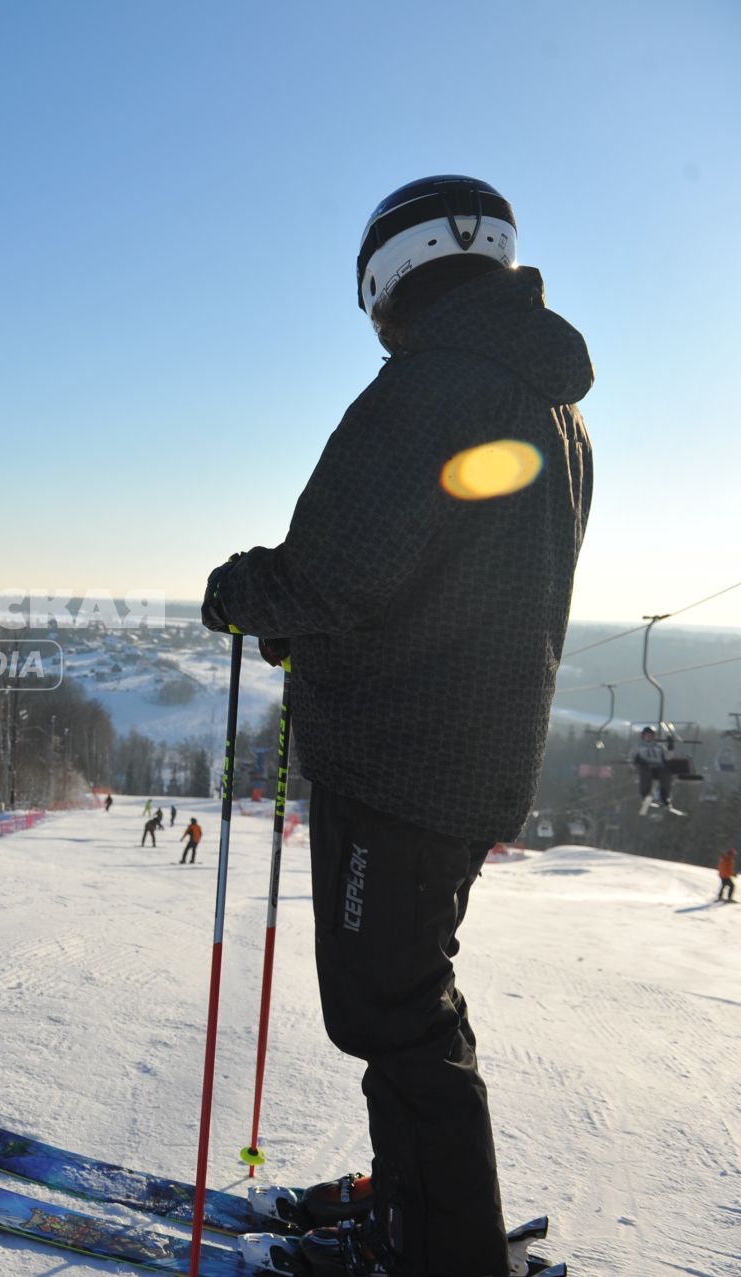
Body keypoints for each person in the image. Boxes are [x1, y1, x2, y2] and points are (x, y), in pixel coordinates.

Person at [199, 177, 591, 1277]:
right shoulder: (549, 407)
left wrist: (242, 593)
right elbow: (441, 579)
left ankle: (439, 1253)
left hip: (401, 761)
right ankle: (422, 1209)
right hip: (465, 756)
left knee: (393, 1012)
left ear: (389, 278)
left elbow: (334, 570)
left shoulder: (431, 388)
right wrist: (318, 631)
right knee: (409, 999)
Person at [630, 726, 678, 815]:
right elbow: (632, 759)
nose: (649, 737)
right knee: (645, 773)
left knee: (666, 774)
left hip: (658, 767)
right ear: (643, 736)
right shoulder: (638, 747)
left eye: (651, 736)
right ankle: (645, 794)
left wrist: (670, 747)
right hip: (646, 767)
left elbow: (668, 756)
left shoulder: (659, 746)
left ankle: (664, 797)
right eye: (647, 736)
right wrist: (636, 763)